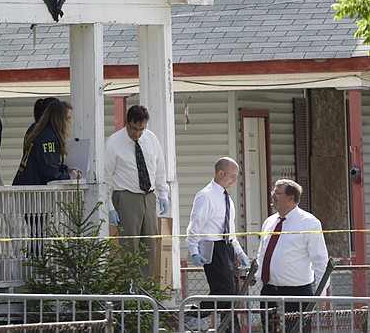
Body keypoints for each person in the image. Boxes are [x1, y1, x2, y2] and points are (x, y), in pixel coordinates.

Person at [104, 105, 170, 279]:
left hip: (148, 196)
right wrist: (110, 206)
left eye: (141, 129)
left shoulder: (151, 139)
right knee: (129, 245)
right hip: (126, 197)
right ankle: (129, 288)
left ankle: (145, 287)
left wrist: (163, 194)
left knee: (150, 243)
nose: (138, 133)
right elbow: (106, 178)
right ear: (127, 123)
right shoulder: (113, 142)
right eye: (134, 129)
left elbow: (160, 168)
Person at [185, 157, 250, 332]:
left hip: (228, 247)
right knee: (225, 289)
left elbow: (231, 231)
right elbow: (194, 226)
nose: (234, 181)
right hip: (212, 247)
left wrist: (240, 252)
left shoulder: (228, 199)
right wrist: (193, 251)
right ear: (221, 173)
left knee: (234, 293)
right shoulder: (206, 196)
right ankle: (192, 316)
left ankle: (231, 329)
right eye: (232, 176)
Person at [256, 179, 329, 332]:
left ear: (290, 198)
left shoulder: (309, 223)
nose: (272, 196)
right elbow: (262, 254)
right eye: (273, 192)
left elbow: (320, 261)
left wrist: (321, 293)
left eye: (277, 193)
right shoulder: (269, 222)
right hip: (269, 292)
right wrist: (256, 275)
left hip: (297, 294)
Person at [12, 100, 79, 185]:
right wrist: (69, 176)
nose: (69, 122)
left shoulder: (36, 129)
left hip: (24, 185)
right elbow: (49, 173)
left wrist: (65, 169)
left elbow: (47, 163)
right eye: (67, 118)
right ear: (59, 119)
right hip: (32, 189)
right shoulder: (48, 137)